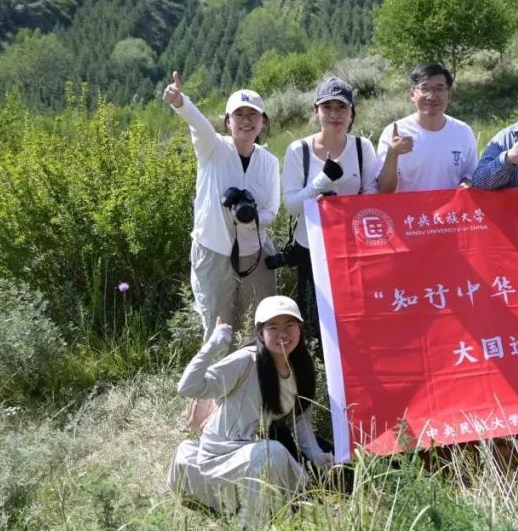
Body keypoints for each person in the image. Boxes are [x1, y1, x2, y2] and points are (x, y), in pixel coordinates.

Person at [168, 296, 333, 522]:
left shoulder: (301, 369)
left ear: (300, 329)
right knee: (273, 453)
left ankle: (278, 514)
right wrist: (212, 345)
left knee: (279, 454)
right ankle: (254, 526)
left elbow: (301, 422)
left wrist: (317, 456)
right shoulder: (246, 361)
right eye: (273, 328)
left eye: (289, 326)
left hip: (253, 448)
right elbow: (188, 387)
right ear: (260, 332)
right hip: (221, 452)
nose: (283, 335)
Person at [163, 71, 279, 338]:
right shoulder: (212, 148)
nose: (246, 121)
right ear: (228, 122)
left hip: (254, 255)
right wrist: (181, 102)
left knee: (255, 329)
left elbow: (272, 211)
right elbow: (199, 124)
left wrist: (249, 220)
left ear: (263, 122)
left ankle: (251, 379)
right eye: (239, 115)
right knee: (218, 332)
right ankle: (217, 380)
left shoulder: (269, 162)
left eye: (253, 115)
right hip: (213, 252)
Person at [282, 76, 381, 345]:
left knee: (355, 317)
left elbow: (371, 193)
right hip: (311, 249)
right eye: (327, 108)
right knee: (314, 320)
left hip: (353, 248)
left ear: (352, 113)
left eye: (341, 107)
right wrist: (322, 182)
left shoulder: (363, 148)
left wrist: (347, 208)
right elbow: (291, 206)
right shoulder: (298, 151)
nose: (334, 114)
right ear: (316, 112)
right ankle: (323, 379)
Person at [376, 63, 477, 193]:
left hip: (449, 212)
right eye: (425, 88)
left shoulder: (463, 132)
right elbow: (383, 190)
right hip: (408, 212)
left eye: (439, 89)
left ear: (449, 95)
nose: (431, 96)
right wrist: (393, 154)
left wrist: (465, 185)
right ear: (412, 94)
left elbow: (471, 176)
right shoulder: (395, 132)